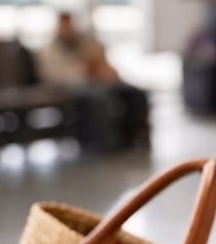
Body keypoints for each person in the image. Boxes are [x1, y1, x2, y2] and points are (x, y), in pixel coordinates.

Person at [38, 11, 149, 150]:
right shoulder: (50, 49)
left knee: (135, 93)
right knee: (101, 98)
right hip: (74, 86)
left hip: (99, 81)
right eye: (65, 26)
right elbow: (56, 75)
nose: (69, 29)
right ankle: (109, 142)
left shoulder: (84, 43)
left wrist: (104, 71)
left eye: (71, 25)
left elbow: (100, 60)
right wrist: (86, 71)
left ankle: (136, 135)